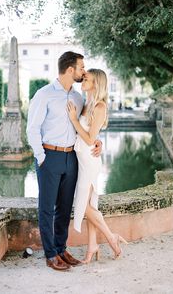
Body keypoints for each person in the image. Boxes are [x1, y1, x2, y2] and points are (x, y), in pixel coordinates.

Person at [26, 51, 101, 271]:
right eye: (81, 68)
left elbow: (89, 126)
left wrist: (98, 142)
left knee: (65, 207)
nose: (83, 71)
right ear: (70, 70)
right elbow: (32, 129)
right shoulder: (44, 94)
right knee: (47, 209)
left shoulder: (78, 98)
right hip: (50, 157)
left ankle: (61, 248)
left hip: (72, 158)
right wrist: (41, 158)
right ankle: (50, 255)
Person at [67, 69, 128, 264]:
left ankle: (111, 237)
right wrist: (97, 139)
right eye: (83, 78)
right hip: (83, 158)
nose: (83, 80)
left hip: (89, 161)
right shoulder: (86, 104)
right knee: (90, 204)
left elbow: (89, 138)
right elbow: (93, 135)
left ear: (96, 84)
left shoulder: (99, 106)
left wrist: (74, 120)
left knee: (82, 205)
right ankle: (92, 245)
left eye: (87, 79)